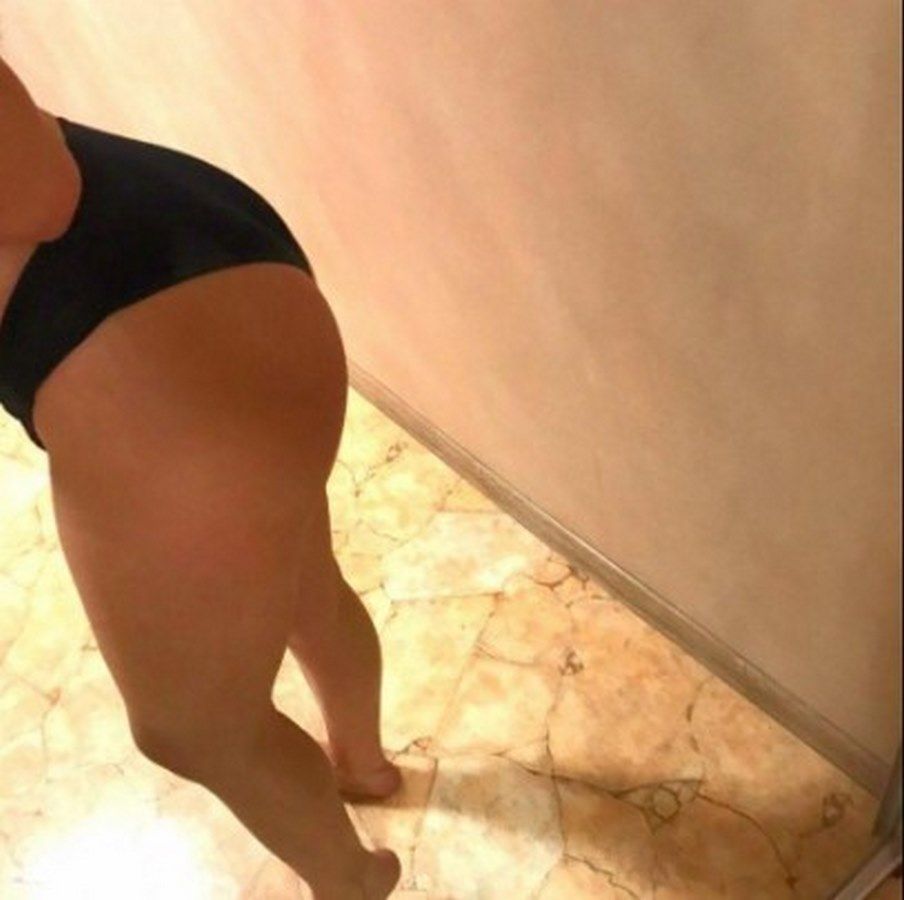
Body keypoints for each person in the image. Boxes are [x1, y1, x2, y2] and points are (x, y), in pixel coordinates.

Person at [1, 53, 402, 900]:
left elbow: (38, 197)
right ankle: (363, 767)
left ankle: (353, 881)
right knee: (303, 583)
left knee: (192, 729)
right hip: (183, 251)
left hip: (140, 334)